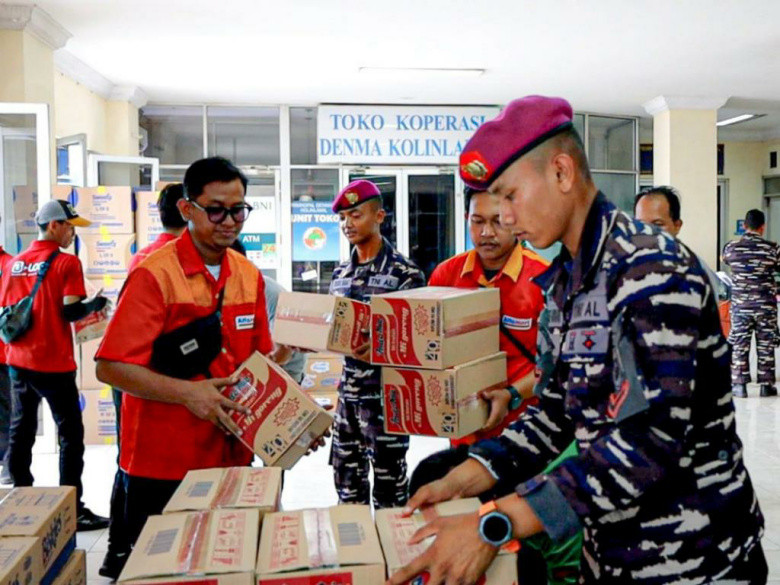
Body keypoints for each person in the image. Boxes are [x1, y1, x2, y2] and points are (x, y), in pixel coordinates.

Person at [388, 96, 766, 585]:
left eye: (509, 196)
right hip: (610, 552)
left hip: (694, 562)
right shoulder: (569, 280)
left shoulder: (649, 268)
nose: (502, 219)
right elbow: (558, 409)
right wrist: (474, 471)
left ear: (562, 173)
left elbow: (648, 443)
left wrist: (495, 523)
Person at [94, 157, 296, 575]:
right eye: (216, 209)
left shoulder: (248, 275)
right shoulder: (155, 276)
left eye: (238, 210)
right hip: (164, 464)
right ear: (187, 210)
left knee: (231, 570)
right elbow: (111, 366)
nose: (229, 221)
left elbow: (256, 365)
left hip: (232, 459)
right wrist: (190, 394)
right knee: (168, 574)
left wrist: (291, 422)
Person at [411, 187, 582, 585]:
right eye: (477, 221)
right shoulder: (448, 275)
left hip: (527, 438)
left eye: (497, 221)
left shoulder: (543, 280)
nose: (486, 233)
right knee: (467, 533)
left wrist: (513, 393)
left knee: (524, 542)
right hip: (465, 439)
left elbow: (555, 369)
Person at [0, 200, 109, 531]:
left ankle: (20, 502)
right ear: (54, 226)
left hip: (17, 360)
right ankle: (71, 508)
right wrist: (98, 303)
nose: (73, 231)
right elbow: (70, 313)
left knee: (21, 430)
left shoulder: (15, 264)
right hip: (53, 362)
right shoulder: (66, 263)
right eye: (70, 225)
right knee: (71, 435)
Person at [100, 182, 187, 579]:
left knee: (128, 463)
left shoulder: (143, 255)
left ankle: (118, 551)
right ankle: (123, 551)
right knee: (136, 467)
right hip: (146, 383)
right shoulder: (163, 262)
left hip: (138, 380)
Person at [329, 179, 425, 509]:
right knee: (347, 489)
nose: (347, 225)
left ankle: (393, 558)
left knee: (390, 492)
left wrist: (383, 350)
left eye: (355, 215)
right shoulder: (340, 274)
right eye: (342, 218)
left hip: (387, 401)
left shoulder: (405, 274)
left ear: (379, 216)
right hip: (348, 401)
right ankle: (358, 558)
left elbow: (419, 341)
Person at [723, 209, 780, 398]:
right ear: (762, 227)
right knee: (766, 346)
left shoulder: (731, 247)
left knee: (740, 345)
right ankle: (766, 385)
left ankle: (739, 386)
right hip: (766, 306)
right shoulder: (772, 248)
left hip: (740, 307)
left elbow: (725, 260)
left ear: (744, 226)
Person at [0, 231, 15, 485]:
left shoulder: (11, 265)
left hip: (4, 353)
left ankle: (6, 463)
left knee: (4, 410)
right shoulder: (10, 264)